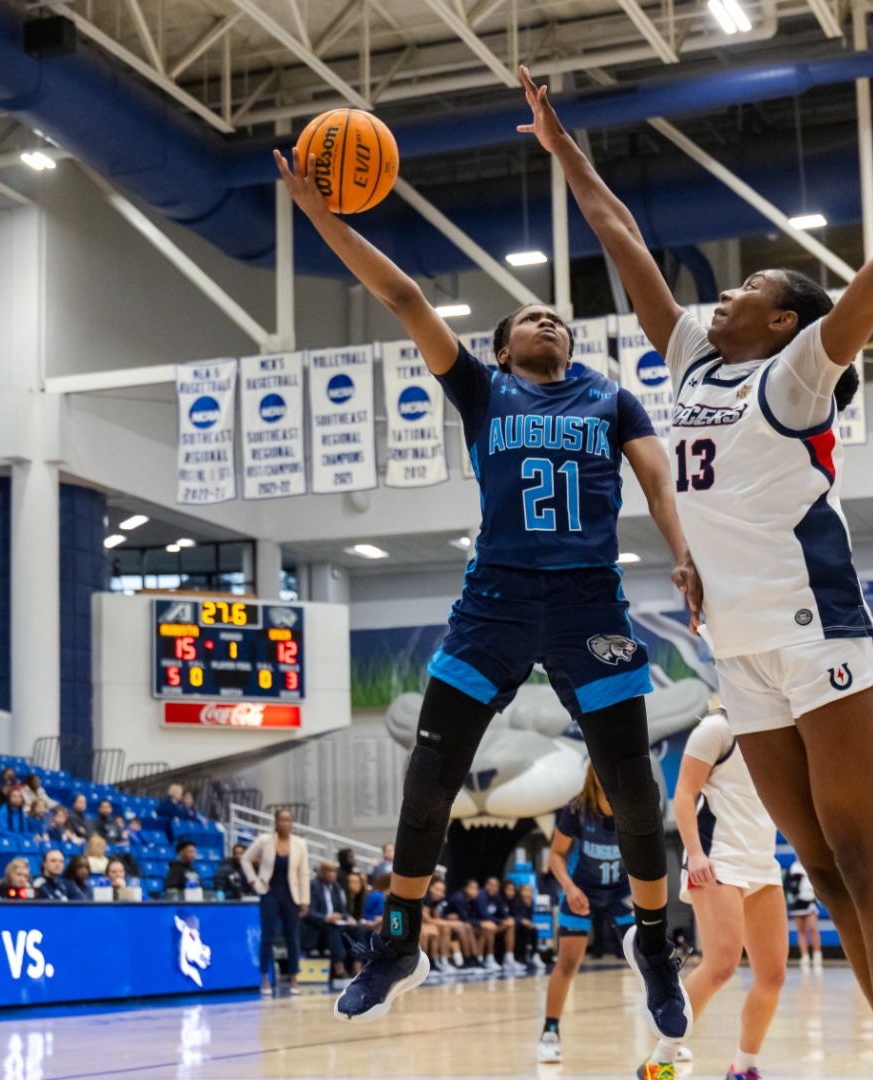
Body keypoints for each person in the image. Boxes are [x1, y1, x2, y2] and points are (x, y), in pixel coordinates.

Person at [526, 31, 873, 1080]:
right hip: (736, 649)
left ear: (783, 320)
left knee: (860, 852)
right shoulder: (691, 355)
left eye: (745, 290)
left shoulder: (795, 376)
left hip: (817, 628)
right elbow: (623, 240)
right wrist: (566, 151)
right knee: (820, 867)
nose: (721, 296)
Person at [281, 103, 697, 1034]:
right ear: (504, 346)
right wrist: (324, 217)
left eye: (559, 317)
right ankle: (398, 943)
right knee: (430, 782)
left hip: (590, 598)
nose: (548, 317)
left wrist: (682, 558)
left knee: (632, 789)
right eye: (528, 317)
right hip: (496, 603)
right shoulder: (480, 388)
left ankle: (654, 941)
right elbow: (405, 299)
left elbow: (659, 477)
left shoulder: (610, 397)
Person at [645, 704, 788, 1078]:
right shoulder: (715, 730)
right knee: (721, 966)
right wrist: (694, 854)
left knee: (772, 976)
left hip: (762, 862)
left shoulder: (776, 729)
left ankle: (744, 1068)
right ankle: (660, 1059)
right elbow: (683, 795)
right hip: (716, 857)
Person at [541, 768, 634, 1064]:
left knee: (647, 962)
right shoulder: (576, 809)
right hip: (581, 891)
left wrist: (641, 895)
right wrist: (568, 888)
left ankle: (666, 1040)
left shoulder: (632, 805)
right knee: (567, 962)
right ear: (593, 773)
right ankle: (549, 1033)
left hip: (621, 893)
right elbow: (555, 855)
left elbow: (646, 855)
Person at [242, 808, 311, 996]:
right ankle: (265, 977)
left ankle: (294, 977)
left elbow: (304, 873)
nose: (285, 823)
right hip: (269, 893)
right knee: (268, 936)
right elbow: (246, 859)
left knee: (292, 937)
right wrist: (254, 881)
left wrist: (305, 900)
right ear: (275, 822)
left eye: (289, 820)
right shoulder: (265, 841)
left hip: (291, 895)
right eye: (282, 820)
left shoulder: (300, 844)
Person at [304, 861, 354, 984]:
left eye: (334, 871)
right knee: (333, 928)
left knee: (358, 929)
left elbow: (342, 911)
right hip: (316, 928)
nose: (332, 874)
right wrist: (326, 918)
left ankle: (358, 967)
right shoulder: (312, 886)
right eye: (329, 871)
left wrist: (347, 917)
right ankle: (339, 967)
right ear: (321, 872)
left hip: (335, 924)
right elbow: (307, 912)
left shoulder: (336, 888)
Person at [785, 860, 821, 966]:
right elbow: (787, 884)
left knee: (813, 928)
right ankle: (804, 956)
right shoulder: (792, 868)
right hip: (797, 903)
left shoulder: (810, 865)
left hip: (810, 902)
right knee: (800, 930)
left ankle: (817, 955)